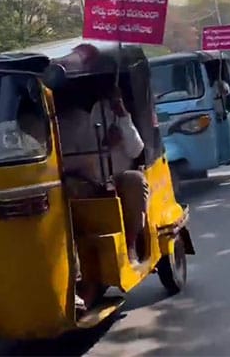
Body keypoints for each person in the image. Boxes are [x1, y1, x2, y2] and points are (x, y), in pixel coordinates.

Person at [58, 86, 147, 311]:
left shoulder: (112, 112)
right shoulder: (64, 121)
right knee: (66, 192)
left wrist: (124, 116)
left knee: (136, 180)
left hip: (117, 177)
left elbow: (136, 149)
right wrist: (103, 147)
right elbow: (64, 162)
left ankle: (131, 245)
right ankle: (80, 274)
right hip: (87, 181)